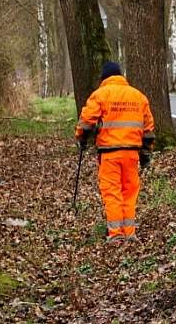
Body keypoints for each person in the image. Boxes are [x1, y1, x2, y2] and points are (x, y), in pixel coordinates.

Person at [75, 62, 155, 242]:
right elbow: (148, 128)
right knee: (129, 191)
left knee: (112, 192)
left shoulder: (100, 94)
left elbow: (86, 120)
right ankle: (129, 232)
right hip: (132, 154)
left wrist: (81, 138)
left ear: (104, 78)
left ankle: (116, 234)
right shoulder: (138, 96)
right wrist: (146, 153)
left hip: (109, 154)